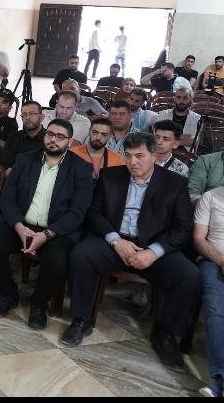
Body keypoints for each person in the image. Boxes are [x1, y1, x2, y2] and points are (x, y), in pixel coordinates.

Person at [61, 133, 201, 374]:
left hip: (153, 247)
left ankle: (167, 335)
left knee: (190, 276)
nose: (132, 162)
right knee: (81, 255)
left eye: (139, 156)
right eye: (128, 155)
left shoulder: (174, 183)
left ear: (154, 156)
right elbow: (94, 214)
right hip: (115, 242)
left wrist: (153, 252)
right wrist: (116, 241)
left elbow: (183, 228)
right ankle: (81, 319)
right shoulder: (110, 176)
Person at [0, 119, 93, 329]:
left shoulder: (80, 168)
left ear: (70, 142)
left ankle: (39, 303)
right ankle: (8, 294)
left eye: (60, 137)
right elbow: (7, 198)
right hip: (21, 224)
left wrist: (47, 234)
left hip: (57, 230)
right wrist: (18, 226)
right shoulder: (25, 160)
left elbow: (78, 212)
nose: (53, 140)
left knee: (57, 260)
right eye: (50, 134)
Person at [193, 186, 224, 397]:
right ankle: (220, 379)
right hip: (213, 261)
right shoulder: (211, 197)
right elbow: (198, 238)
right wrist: (221, 261)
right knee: (215, 309)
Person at [69, 117, 126, 182]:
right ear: (89, 132)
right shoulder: (71, 153)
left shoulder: (118, 161)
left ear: (110, 136)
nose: (98, 137)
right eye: (95, 132)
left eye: (104, 134)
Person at [0, 101, 47, 169]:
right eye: (24, 115)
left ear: (42, 117)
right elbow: (4, 164)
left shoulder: (50, 139)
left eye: (32, 114)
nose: (27, 117)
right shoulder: (14, 137)